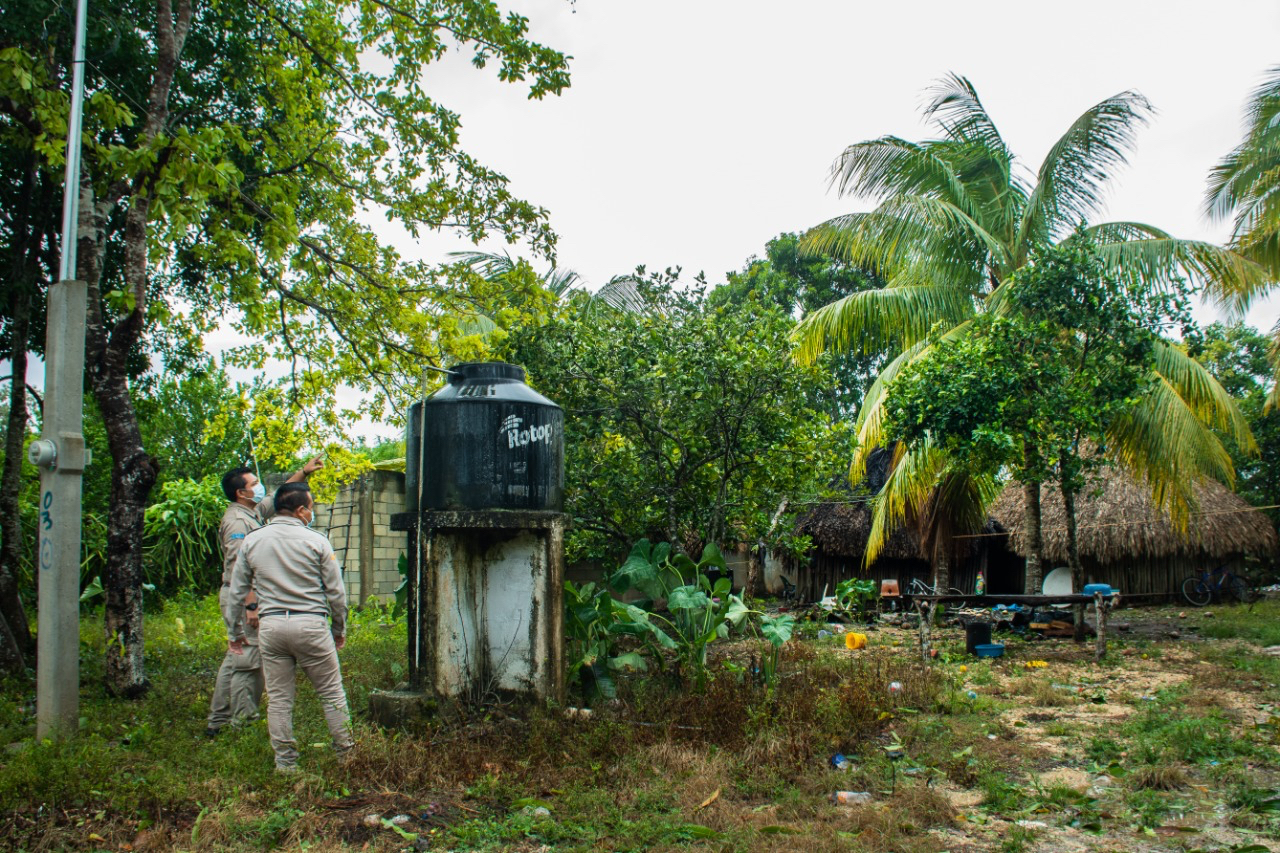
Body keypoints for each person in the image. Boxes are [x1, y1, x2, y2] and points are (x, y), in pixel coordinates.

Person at [225, 481, 352, 773]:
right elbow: (337, 593)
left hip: (271, 628)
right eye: (310, 507)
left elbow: (237, 592)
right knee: (332, 693)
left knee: (280, 699)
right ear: (299, 510)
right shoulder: (317, 541)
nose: (312, 512)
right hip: (311, 626)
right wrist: (339, 629)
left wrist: (235, 634)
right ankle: (346, 755)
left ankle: (285, 763)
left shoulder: (253, 540)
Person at [206, 456, 323, 737]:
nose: (259, 487)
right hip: (245, 597)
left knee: (236, 657)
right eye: (254, 483)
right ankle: (242, 722)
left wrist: (303, 472)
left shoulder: (253, 511)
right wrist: (252, 606)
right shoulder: (236, 522)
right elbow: (237, 570)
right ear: (240, 492)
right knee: (248, 660)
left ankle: (218, 719)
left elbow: (279, 495)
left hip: (248, 597)